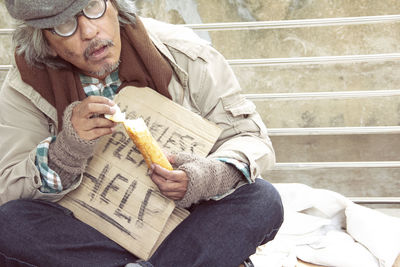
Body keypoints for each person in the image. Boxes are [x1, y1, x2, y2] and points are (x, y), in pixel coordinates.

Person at [0, 0, 283, 266]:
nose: (88, 31)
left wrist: (205, 176)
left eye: (92, 6)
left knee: (261, 198)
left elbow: (251, 138)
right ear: (45, 42)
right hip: (90, 234)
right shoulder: (24, 86)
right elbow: (8, 190)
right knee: (8, 223)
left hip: (184, 224)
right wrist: (64, 153)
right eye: (64, 26)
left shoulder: (183, 51)